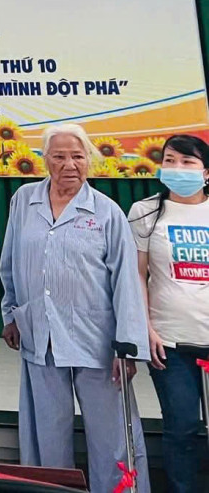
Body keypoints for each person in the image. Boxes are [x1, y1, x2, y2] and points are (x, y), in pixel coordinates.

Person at [0, 123, 151, 493]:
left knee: (111, 437)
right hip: (41, 334)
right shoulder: (23, 200)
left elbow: (127, 282)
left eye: (78, 156)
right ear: (45, 160)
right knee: (46, 433)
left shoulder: (107, 212)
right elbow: (10, 261)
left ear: (89, 161)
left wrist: (128, 347)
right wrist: (10, 313)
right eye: (60, 156)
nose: (69, 164)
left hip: (98, 341)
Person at [128, 133, 209, 493]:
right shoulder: (144, 212)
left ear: (206, 172)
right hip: (169, 342)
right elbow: (137, 275)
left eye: (188, 162)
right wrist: (146, 328)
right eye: (170, 160)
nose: (177, 168)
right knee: (181, 428)